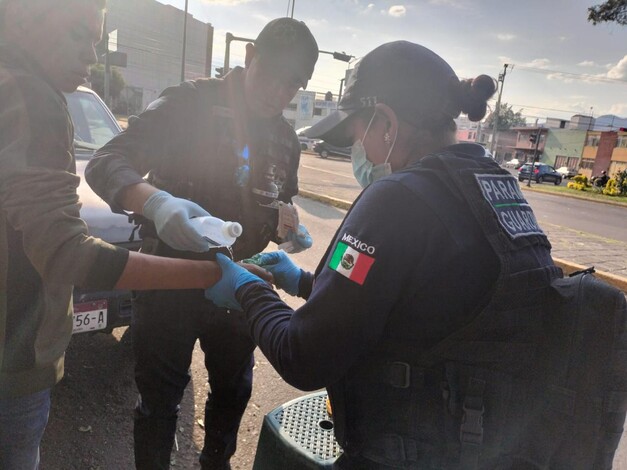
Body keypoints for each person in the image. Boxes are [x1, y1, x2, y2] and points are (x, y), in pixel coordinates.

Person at [205, 41, 560, 469]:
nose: (359, 150)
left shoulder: (398, 197)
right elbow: (418, 304)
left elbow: (305, 357)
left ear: (387, 124)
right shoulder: (497, 185)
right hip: (483, 442)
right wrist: (301, 281)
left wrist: (247, 291)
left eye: (358, 133)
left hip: (404, 452)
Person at [0, 0, 265, 468]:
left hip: (232, 316)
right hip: (13, 358)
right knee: (159, 405)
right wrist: (198, 261)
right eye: (78, 34)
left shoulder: (281, 133)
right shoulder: (31, 96)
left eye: (96, 41)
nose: (91, 54)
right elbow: (66, 251)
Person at [85, 17, 318, 470]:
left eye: (292, 85)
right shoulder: (188, 104)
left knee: (233, 392)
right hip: (169, 281)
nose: (277, 93)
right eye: (270, 76)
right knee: (159, 400)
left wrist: (287, 225)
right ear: (249, 57)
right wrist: (155, 203)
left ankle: (216, 462)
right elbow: (107, 161)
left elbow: (277, 196)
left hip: (239, 288)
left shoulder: (286, 139)